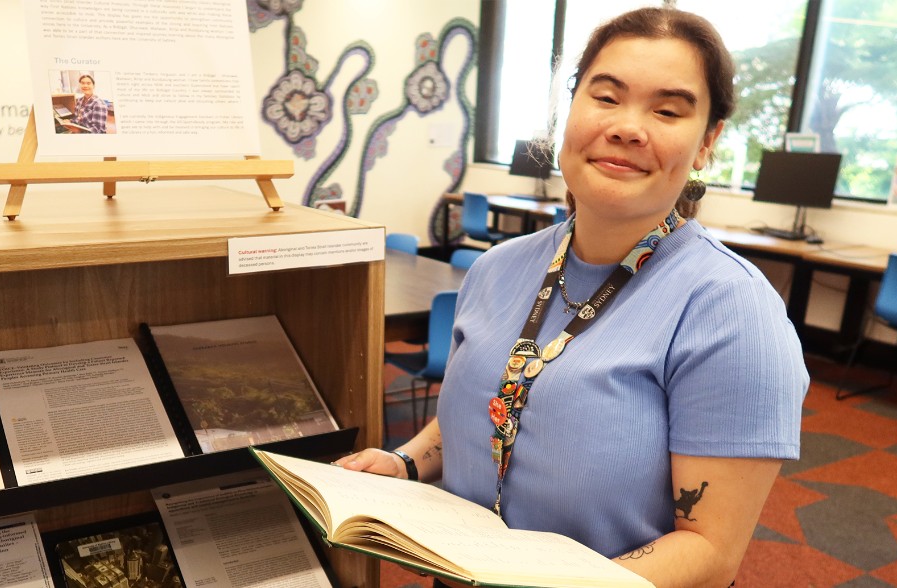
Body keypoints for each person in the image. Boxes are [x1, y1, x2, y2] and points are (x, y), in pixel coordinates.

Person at [337, 7, 808, 587]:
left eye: (666, 110)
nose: (628, 127)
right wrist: (406, 461)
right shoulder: (496, 269)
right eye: (606, 97)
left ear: (707, 142)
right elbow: (501, 399)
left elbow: (709, 552)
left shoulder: (731, 312)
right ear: (570, 111)